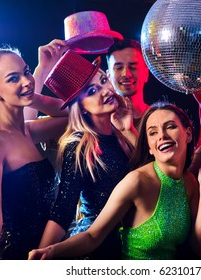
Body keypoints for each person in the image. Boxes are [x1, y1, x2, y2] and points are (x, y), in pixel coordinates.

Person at [28, 101, 201, 260]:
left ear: (187, 134)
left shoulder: (191, 182)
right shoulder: (137, 181)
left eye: (170, 127)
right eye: (153, 132)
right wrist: (52, 251)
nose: (162, 135)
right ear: (150, 148)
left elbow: (199, 248)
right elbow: (92, 236)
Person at [0, 40, 69, 259]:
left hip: (47, 252)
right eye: (13, 78)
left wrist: (33, 88)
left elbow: (71, 116)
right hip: (18, 256)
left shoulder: (29, 131)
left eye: (26, 72)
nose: (26, 81)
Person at [37, 49, 137, 259]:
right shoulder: (79, 145)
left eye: (103, 80)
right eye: (92, 91)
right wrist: (39, 259)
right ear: (81, 108)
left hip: (134, 240)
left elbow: (154, 178)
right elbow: (63, 209)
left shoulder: (122, 131)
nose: (105, 90)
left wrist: (129, 131)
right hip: (99, 247)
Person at [106, 38, 150, 127]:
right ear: (108, 76)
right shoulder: (101, 124)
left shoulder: (160, 117)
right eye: (119, 68)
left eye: (133, 67)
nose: (126, 74)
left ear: (146, 73)